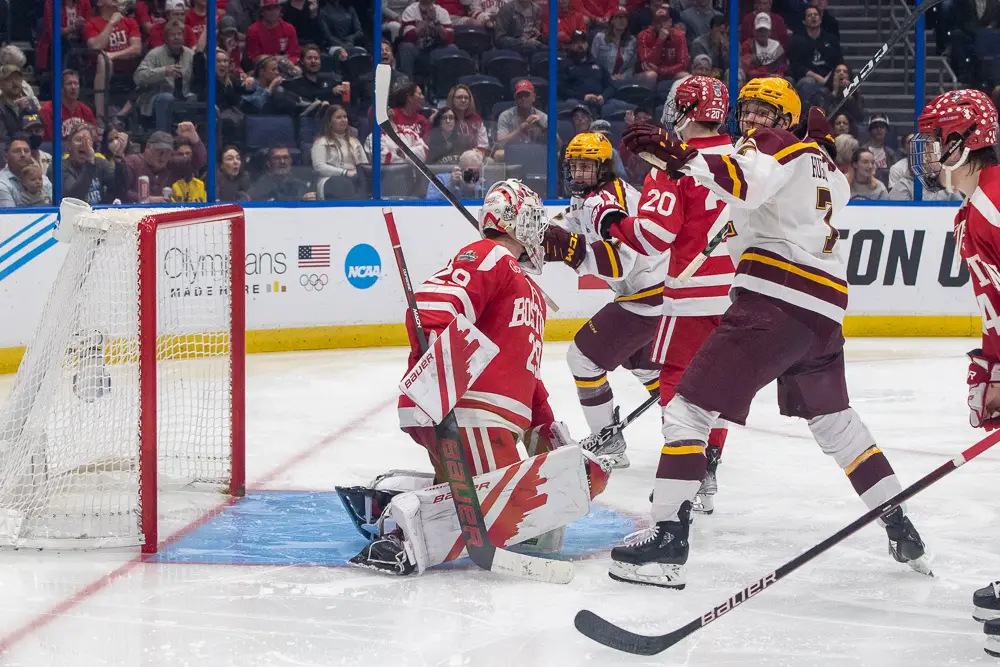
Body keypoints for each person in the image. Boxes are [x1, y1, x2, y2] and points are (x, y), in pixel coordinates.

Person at [613, 77, 930, 587]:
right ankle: (900, 523)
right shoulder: (823, 166)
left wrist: (680, 155)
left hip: (775, 302)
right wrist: (819, 148)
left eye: (765, 112)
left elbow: (747, 180)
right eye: (747, 111)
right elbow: (814, 190)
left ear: (783, 121)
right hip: (823, 316)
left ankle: (669, 541)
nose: (752, 121)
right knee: (837, 425)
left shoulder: (771, 148)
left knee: (687, 409)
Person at [347, 179, 612, 576]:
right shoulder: (492, 256)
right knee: (512, 519)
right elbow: (434, 305)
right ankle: (400, 533)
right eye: (533, 219)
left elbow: (528, 375)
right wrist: (438, 373)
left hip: (496, 423)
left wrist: (545, 431)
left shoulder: (529, 291)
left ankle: (395, 495)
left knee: (561, 505)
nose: (540, 230)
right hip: (475, 414)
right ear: (512, 220)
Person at [600, 75, 734, 511]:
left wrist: (612, 223)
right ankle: (708, 468)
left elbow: (653, 236)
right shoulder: (745, 157)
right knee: (718, 386)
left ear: (687, 109)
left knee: (679, 391)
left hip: (690, 297)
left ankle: (683, 480)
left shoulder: (673, 164)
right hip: (737, 297)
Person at [909, 88, 1000, 659]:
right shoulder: (969, 214)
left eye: (936, 140)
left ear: (966, 141)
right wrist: (991, 365)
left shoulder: (995, 202)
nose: (927, 152)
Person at [540, 132, 657, 469]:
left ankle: (608, 440)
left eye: (587, 166)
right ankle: (689, 428)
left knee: (582, 358)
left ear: (604, 168)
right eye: (574, 166)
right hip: (649, 294)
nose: (578, 173)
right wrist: (531, 235)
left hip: (648, 296)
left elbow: (620, 265)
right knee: (644, 365)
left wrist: (567, 247)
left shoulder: (609, 202)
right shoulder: (589, 198)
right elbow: (567, 227)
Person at [134, 19, 197, 133]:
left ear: (184, 37)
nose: (176, 37)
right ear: (166, 38)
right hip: (156, 99)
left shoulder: (190, 55)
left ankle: (188, 137)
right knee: (166, 98)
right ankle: (163, 138)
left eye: (179, 34)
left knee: (195, 98)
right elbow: (138, 77)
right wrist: (163, 71)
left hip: (183, 97)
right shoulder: (155, 54)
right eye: (173, 35)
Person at [84, 0, 143, 120]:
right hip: (101, 70)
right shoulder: (91, 24)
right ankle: (101, 116)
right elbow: (96, 46)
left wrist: (113, 55)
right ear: (99, 3)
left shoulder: (129, 22)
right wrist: (111, 23)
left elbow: (136, 49)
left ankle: (120, 115)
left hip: (129, 71)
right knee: (103, 59)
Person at [124, 123, 206, 202]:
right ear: (148, 148)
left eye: (167, 152)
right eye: (159, 151)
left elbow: (199, 162)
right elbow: (120, 191)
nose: (163, 156)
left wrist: (195, 140)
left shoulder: (171, 164)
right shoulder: (132, 162)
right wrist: (146, 199)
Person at [312, 104, 369, 199]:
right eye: (338, 117)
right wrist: (344, 173)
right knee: (341, 183)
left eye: (345, 117)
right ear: (330, 122)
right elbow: (319, 167)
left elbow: (364, 165)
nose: (343, 120)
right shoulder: (321, 142)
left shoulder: (354, 141)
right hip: (330, 181)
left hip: (354, 179)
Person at [63, 123, 128, 205]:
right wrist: (90, 163)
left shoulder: (99, 162)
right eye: (78, 140)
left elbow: (119, 186)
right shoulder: (61, 167)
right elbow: (74, 198)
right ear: (69, 145)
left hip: (98, 214)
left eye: (87, 140)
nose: (84, 145)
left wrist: (119, 156)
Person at [788, 6, 842, 105]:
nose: (813, 17)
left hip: (829, 77)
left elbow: (839, 62)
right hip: (807, 78)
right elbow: (796, 65)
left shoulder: (831, 39)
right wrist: (817, 77)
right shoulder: (797, 40)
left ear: (820, 19)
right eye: (809, 15)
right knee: (808, 82)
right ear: (804, 21)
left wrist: (829, 78)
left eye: (816, 15)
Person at [636, 4, 690, 94]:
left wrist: (662, 70)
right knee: (651, 75)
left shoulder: (679, 36)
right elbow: (647, 63)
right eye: (658, 22)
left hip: (669, 73)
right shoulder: (643, 35)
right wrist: (660, 41)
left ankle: (679, 104)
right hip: (646, 75)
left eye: (665, 22)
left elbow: (683, 63)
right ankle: (647, 104)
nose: (662, 25)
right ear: (653, 24)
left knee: (686, 76)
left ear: (670, 22)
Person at [495, 80, 548, 161]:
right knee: (498, 154)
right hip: (514, 153)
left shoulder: (543, 117)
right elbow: (500, 144)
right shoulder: (505, 116)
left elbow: (558, 145)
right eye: (520, 96)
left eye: (526, 95)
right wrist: (520, 130)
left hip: (536, 152)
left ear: (533, 97)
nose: (523, 98)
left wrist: (542, 126)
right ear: (515, 99)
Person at [398, 0, 456, 74]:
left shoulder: (442, 12)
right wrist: (426, 20)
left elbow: (449, 38)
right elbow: (408, 37)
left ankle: (448, 84)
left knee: (452, 48)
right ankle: (407, 83)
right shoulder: (410, 11)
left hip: (436, 49)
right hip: (417, 49)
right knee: (406, 46)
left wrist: (435, 21)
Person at [559, 30, 612, 111]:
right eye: (576, 43)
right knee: (571, 104)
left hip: (602, 101)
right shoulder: (565, 65)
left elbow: (610, 86)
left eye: (583, 42)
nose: (580, 45)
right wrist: (583, 96)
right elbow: (562, 89)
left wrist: (603, 97)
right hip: (578, 101)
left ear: (588, 45)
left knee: (625, 107)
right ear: (571, 46)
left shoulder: (598, 63)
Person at [40, 70, 97, 142]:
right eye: (69, 84)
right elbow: (48, 142)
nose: (73, 87)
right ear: (61, 88)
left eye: (76, 83)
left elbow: (94, 136)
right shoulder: (48, 110)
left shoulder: (86, 110)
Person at [248, 145, 317, 201]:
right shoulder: (259, 185)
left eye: (285, 157)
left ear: (290, 161)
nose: (282, 162)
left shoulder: (301, 184)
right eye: (277, 158)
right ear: (268, 163)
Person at [0, 136, 52, 208]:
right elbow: (10, 217)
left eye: (26, 151)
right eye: (17, 151)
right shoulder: (2, 183)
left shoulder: (44, 180)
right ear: (6, 157)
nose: (23, 154)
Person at [247, 0, 302, 66]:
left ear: (279, 9)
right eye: (268, 9)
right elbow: (254, 57)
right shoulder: (253, 30)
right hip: (263, 68)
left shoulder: (289, 28)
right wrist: (272, 63)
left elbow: (295, 54)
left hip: (285, 66)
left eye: (275, 8)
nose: (272, 12)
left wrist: (288, 63)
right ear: (262, 12)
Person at [591, 8, 638, 83]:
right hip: (601, 79)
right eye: (619, 17)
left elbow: (631, 68)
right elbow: (593, 61)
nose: (622, 20)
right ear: (612, 21)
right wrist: (604, 77)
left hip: (622, 80)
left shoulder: (632, 41)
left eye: (625, 18)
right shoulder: (600, 37)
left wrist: (621, 77)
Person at [741, 12, 787, 79]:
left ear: (770, 32)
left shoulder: (777, 46)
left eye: (765, 30)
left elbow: (782, 67)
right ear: (754, 31)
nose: (762, 33)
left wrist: (778, 75)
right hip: (755, 81)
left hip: (776, 80)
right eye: (760, 30)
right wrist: (767, 75)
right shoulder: (747, 45)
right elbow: (748, 70)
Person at [447, 85, 489, 154]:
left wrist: (475, 156)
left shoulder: (476, 118)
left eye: (466, 98)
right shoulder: (445, 116)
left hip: (472, 157)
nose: (463, 100)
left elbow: (483, 145)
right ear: (452, 99)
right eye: (459, 97)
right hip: (448, 157)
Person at [864, 113, 898, 186]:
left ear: (887, 130)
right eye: (875, 126)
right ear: (870, 130)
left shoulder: (891, 154)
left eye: (882, 126)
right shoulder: (861, 151)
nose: (878, 129)